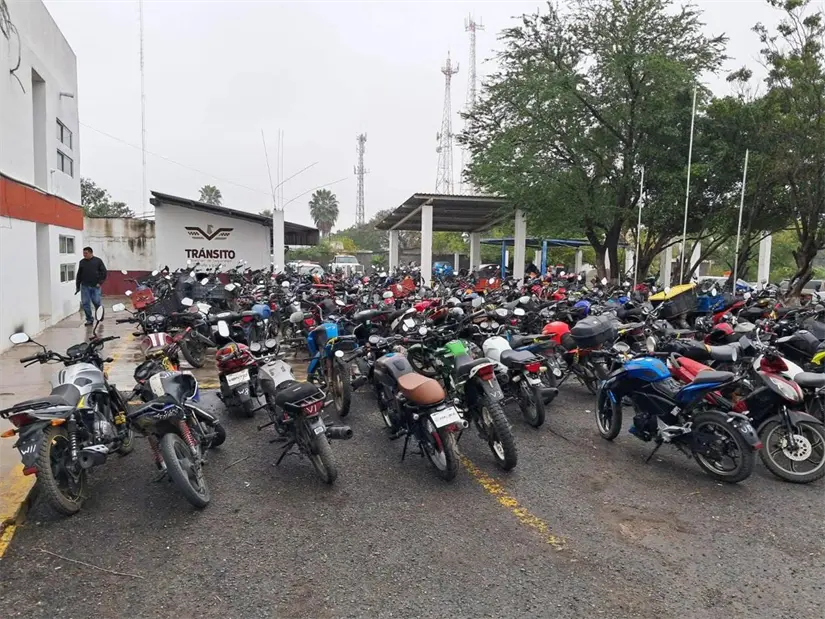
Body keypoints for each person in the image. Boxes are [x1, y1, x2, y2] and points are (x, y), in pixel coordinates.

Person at [76, 246, 107, 325]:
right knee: (85, 303)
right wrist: (77, 286)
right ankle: (89, 319)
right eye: (83, 253)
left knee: (96, 302)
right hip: (84, 286)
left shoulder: (98, 261)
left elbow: (104, 273)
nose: (84, 255)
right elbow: (79, 274)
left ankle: (100, 315)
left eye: (86, 253)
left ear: (91, 253)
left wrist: (99, 283)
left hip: (95, 286)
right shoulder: (82, 262)